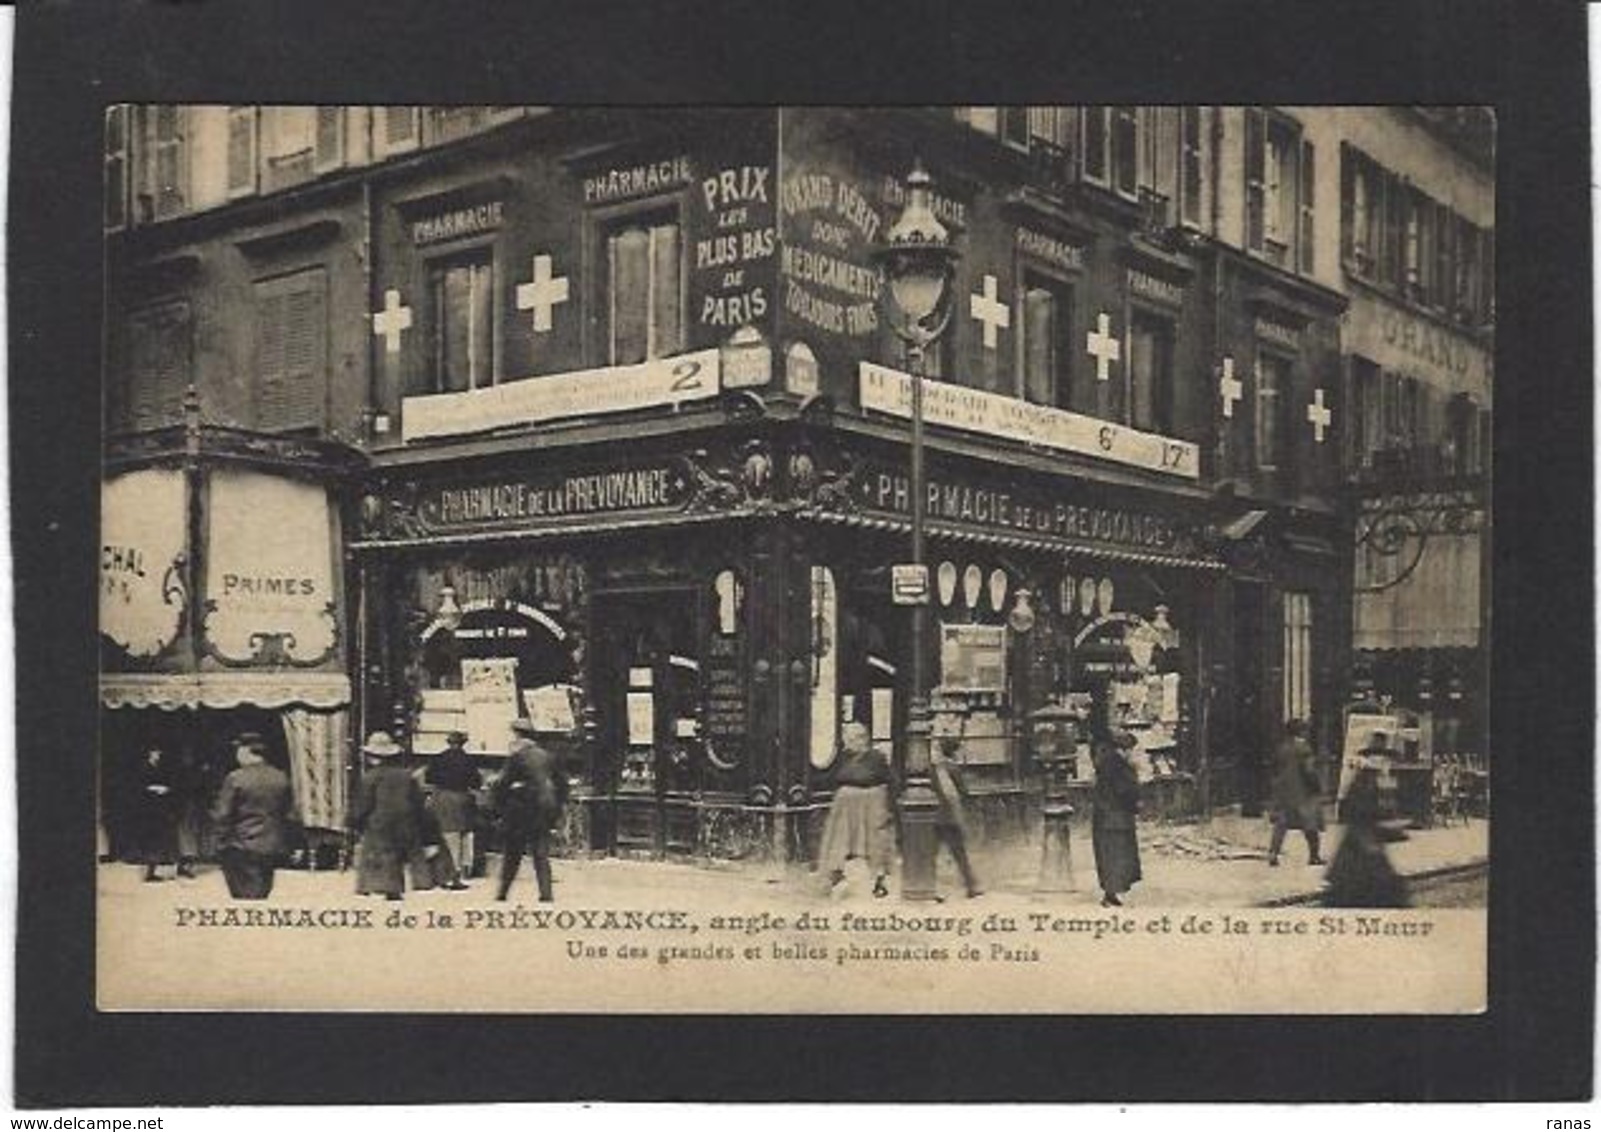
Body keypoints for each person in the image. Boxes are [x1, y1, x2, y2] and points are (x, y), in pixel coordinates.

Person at [210, 733, 295, 899]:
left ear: (245, 751)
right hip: (272, 846)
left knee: (244, 900)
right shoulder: (281, 777)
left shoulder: (236, 778)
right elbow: (289, 813)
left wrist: (219, 844)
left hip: (241, 847)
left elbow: (223, 815)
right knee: (261, 896)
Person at [493, 718, 569, 902]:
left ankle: (503, 892)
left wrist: (499, 806)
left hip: (519, 812)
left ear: (518, 735)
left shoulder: (517, 757)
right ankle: (546, 893)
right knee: (541, 855)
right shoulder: (548, 756)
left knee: (512, 855)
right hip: (542, 813)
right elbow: (562, 785)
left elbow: (502, 784)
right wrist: (557, 809)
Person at [817, 722, 894, 897]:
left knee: (875, 842)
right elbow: (834, 777)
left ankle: (879, 881)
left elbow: (885, 779)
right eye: (847, 739)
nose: (847, 743)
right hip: (846, 805)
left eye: (851, 739)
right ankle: (835, 876)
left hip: (872, 803)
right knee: (838, 841)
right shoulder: (844, 757)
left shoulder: (877, 757)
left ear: (862, 739)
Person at [1324, 769, 1411, 908]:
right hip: (1360, 854)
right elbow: (1363, 814)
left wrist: (1391, 829)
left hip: (1364, 849)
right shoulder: (1366, 780)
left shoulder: (1375, 779)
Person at [1091, 721, 1142, 907]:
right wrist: (1136, 797)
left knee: (1109, 855)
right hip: (1116, 817)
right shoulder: (1117, 764)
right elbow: (1125, 790)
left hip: (1105, 816)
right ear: (1122, 748)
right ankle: (1112, 895)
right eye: (1130, 749)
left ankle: (1110, 894)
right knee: (1117, 855)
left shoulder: (1105, 760)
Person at [425, 730, 482, 881]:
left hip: (444, 797)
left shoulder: (438, 758)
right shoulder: (469, 760)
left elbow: (429, 777)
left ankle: (453, 868)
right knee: (466, 834)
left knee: (450, 834)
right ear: (463, 743)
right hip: (464, 797)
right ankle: (466, 868)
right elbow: (477, 782)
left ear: (448, 742)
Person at [930, 739, 983, 899]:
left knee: (931, 854)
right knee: (959, 852)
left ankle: (933, 887)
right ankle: (971, 885)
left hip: (934, 815)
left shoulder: (933, 769)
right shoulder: (951, 768)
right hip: (949, 815)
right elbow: (961, 791)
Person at [1268, 718, 1325, 867]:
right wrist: (1316, 786)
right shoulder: (1304, 748)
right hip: (1302, 790)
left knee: (1281, 824)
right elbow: (1309, 770)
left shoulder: (1282, 748)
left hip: (1284, 790)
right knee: (1310, 825)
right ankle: (1314, 856)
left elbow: (1275, 769)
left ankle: (1273, 853)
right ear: (1302, 731)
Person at [131, 746, 180, 882]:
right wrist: (154, 788)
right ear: (149, 753)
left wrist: (166, 789)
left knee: (157, 841)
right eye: (156, 752)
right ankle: (147, 872)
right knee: (149, 840)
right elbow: (138, 787)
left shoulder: (161, 768)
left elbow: (169, 783)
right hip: (147, 809)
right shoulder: (143, 768)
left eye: (159, 752)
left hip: (158, 808)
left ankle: (152, 871)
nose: (158, 755)